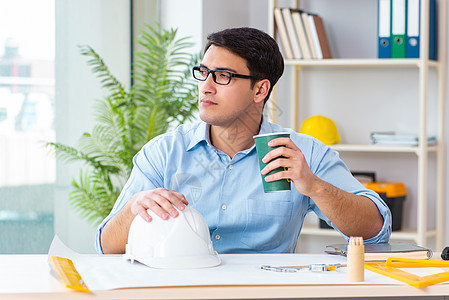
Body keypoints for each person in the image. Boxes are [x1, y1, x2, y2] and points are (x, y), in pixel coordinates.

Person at [96, 27, 391, 254]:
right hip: (181, 290)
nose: (206, 87)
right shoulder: (164, 152)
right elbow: (106, 247)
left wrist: (313, 186)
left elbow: (376, 230)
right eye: (203, 73)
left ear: (260, 90)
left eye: (222, 76)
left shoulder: (302, 153)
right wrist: (134, 206)